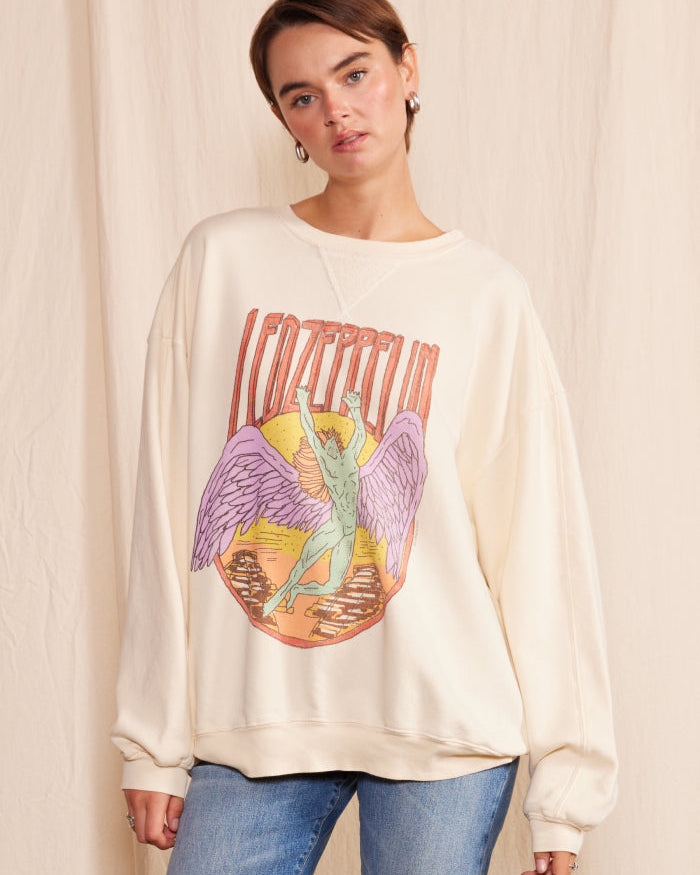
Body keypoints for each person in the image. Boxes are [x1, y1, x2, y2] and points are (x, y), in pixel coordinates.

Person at [111, 1, 618, 873]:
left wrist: (565, 792)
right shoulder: (222, 260)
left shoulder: (485, 295)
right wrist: (152, 742)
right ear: (284, 119)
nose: (336, 110)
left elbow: (540, 540)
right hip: (257, 723)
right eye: (301, 95)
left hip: (444, 728)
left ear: (406, 70)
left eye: (355, 74)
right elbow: (165, 502)